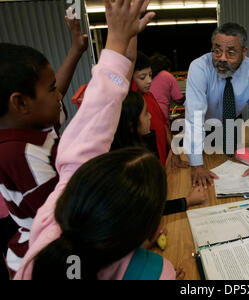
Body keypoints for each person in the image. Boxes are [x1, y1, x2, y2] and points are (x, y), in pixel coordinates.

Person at [15, 0, 182, 280]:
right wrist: (119, 39)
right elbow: (85, 142)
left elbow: (89, 135)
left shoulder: (52, 227)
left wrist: (118, 40)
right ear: (144, 231)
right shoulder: (155, 272)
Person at [0, 15, 88, 276]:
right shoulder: (21, 155)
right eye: (51, 90)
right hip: (44, 261)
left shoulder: (30, 126)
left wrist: (76, 51)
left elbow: (54, 93)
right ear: (21, 103)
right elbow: (65, 221)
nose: (59, 96)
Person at [184, 22, 249, 188]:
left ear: (244, 52)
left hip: (232, 122)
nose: (222, 58)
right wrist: (196, 164)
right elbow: (194, 116)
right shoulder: (199, 67)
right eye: (217, 51)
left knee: (230, 163)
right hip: (204, 124)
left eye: (230, 53)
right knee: (207, 167)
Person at [111, 91, 206, 214]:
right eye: (145, 113)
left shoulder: (135, 145)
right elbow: (146, 209)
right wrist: (188, 201)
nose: (150, 116)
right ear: (131, 124)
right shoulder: (130, 164)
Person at [132, 51, 189, 169]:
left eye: (150, 75)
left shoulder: (150, 96)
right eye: (143, 77)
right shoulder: (131, 103)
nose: (149, 81)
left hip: (161, 155)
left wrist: (175, 153)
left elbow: (164, 125)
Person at [149, 54, 185, 121]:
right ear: (167, 66)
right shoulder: (167, 75)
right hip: (161, 114)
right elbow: (178, 99)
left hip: (146, 114)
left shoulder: (148, 75)